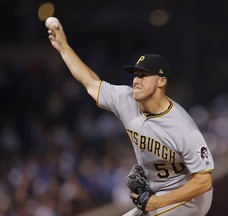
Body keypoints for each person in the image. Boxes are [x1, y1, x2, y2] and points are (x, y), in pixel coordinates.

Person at [46, 18, 214, 216]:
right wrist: (63, 47)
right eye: (135, 75)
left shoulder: (182, 126)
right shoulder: (126, 100)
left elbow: (204, 181)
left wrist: (157, 202)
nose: (136, 80)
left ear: (161, 82)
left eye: (143, 76)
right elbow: (90, 82)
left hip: (189, 199)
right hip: (159, 193)